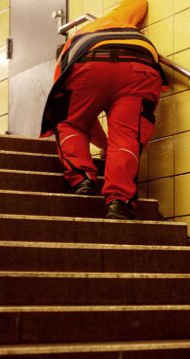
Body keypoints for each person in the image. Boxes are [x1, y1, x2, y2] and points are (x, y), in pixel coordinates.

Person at [41, 0, 167, 219]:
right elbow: (138, 3)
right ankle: (119, 201)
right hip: (141, 63)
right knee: (126, 136)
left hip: (88, 64)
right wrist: (110, 145)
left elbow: (79, 121)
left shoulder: (67, 56)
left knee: (68, 122)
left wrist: (103, 145)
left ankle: (82, 178)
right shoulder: (113, 20)